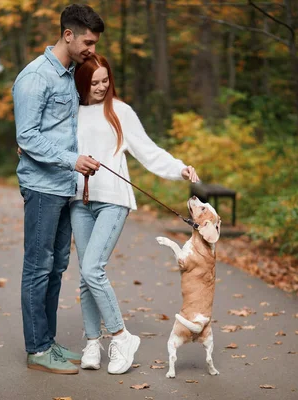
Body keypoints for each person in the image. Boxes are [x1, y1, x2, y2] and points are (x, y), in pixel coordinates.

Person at [70, 53, 200, 375]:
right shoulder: (69, 112)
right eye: (94, 82)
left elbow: (148, 150)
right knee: (86, 277)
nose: (101, 87)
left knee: (92, 268)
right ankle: (91, 342)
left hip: (113, 200)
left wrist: (178, 168)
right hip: (78, 200)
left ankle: (121, 336)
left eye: (105, 80)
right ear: (81, 83)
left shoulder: (120, 112)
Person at [12, 4, 104, 375]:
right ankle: (36, 349)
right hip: (41, 187)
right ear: (68, 35)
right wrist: (72, 161)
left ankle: (48, 342)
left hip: (64, 188)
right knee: (37, 267)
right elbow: (27, 135)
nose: (92, 50)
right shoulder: (35, 76)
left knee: (56, 266)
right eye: (88, 42)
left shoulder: (69, 74)